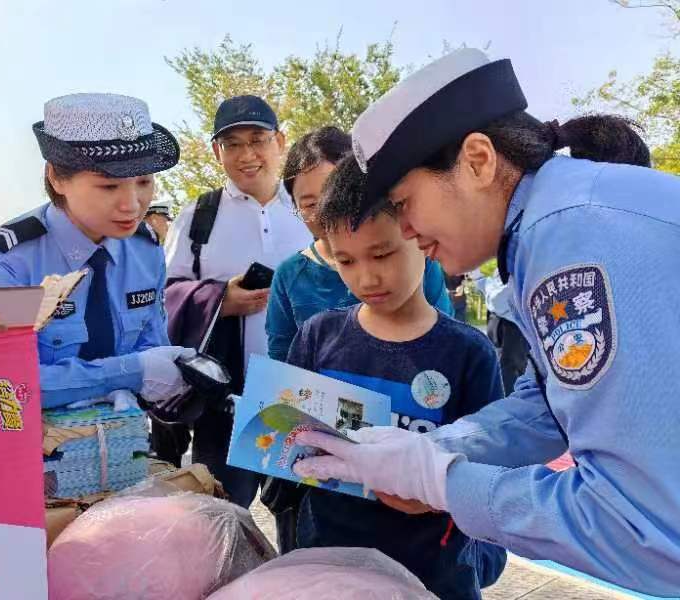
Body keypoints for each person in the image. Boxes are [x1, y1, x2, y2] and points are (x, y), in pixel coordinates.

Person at [292, 48, 680, 596]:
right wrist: (434, 449)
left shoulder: (571, 240)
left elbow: (643, 529)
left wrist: (445, 482)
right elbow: (545, 408)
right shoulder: (551, 225)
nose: (406, 231)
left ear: (477, 161)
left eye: (403, 203)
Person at [285, 155, 506, 598]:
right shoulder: (318, 336)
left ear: (418, 238)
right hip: (330, 561)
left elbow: (489, 467)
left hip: (433, 571)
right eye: (345, 261)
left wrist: (435, 489)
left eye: (382, 254)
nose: (367, 277)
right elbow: (287, 442)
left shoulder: (468, 353)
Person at [262, 126, 452, 553]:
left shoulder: (423, 265)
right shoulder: (293, 280)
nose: (366, 279)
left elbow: (440, 345)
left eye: (336, 189)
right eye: (309, 203)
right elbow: (283, 373)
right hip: (331, 491)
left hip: (412, 492)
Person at [0, 93, 194, 411]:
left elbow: (151, 347)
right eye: (109, 186)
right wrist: (125, 374)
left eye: (143, 182)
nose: (132, 205)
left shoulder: (145, 252)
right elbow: (6, 384)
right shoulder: (6, 261)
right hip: (34, 439)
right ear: (57, 178)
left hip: (125, 435)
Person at [163, 95, 312, 507]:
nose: (247, 155)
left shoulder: (307, 209)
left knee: (304, 522)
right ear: (217, 152)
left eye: (257, 140)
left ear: (280, 142)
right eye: (233, 144)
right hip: (226, 398)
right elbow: (163, 297)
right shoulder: (198, 216)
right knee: (221, 517)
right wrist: (219, 299)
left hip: (304, 394)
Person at [266, 125, 453, 363]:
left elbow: (446, 340)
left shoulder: (414, 255)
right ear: (295, 207)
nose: (326, 214)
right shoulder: (289, 276)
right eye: (310, 205)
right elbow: (281, 362)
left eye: (334, 196)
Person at [470, 267, 529, 395]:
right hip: (499, 324)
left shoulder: (518, 267)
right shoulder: (504, 266)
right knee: (499, 365)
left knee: (510, 370)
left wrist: (484, 283)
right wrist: (480, 279)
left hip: (513, 328)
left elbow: (498, 300)